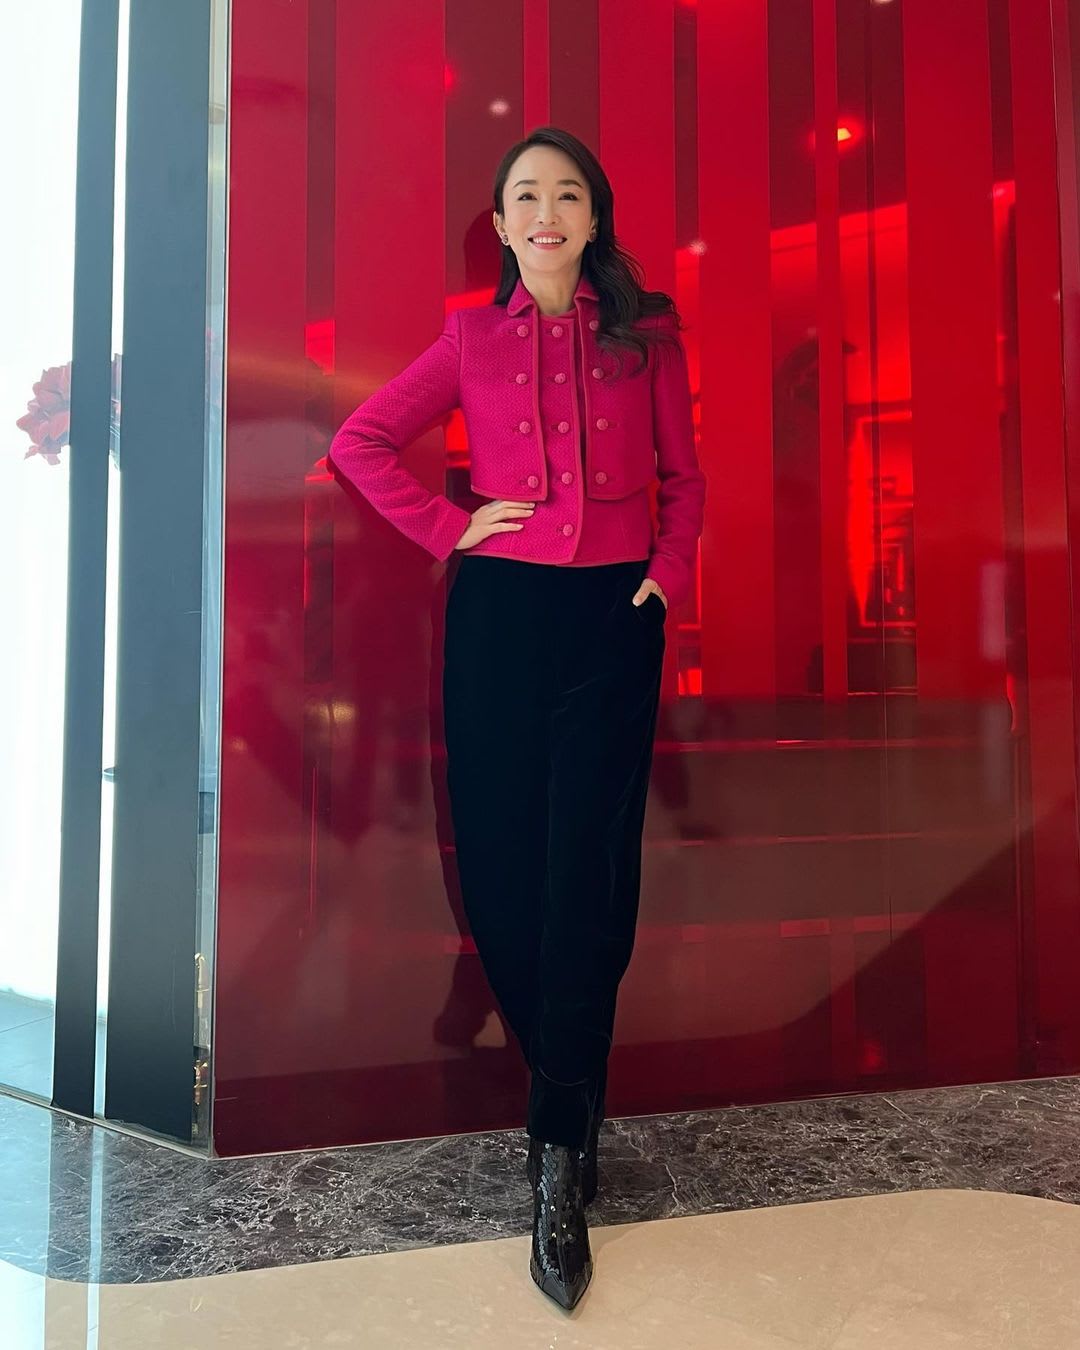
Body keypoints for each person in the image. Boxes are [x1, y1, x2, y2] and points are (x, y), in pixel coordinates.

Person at [327, 125, 706, 1311]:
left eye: (568, 195)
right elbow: (359, 441)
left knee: (590, 867)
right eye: (526, 196)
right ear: (501, 225)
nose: (547, 213)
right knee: (498, 868)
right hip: (497, 616)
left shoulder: (646, 338)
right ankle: (572, 1092)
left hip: (613, 616)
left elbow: (688, 479)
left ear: (594, 220)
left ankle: (555, 1149)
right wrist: (452, 529)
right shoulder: (470, 338)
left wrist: (666, 578)